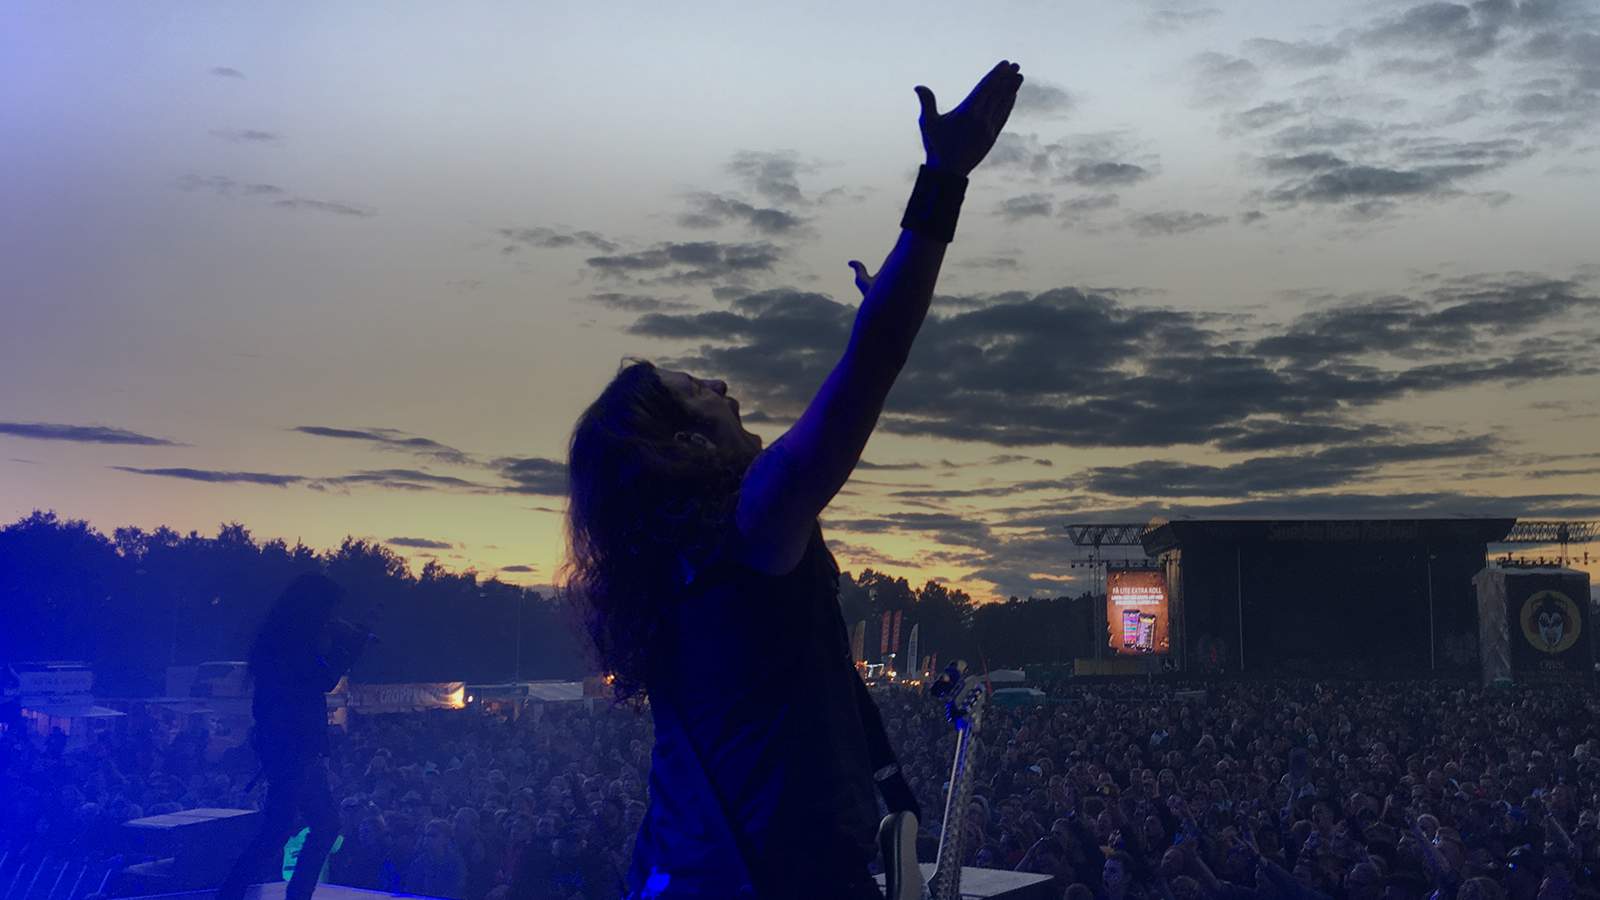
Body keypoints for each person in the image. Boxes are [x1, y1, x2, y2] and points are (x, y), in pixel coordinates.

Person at [559, 60, 1023, 899]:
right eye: (696, 393)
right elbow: (868, 373)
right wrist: (941, 186)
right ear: (672, 446)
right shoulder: (748, 529)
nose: (724, 390)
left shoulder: (669, 575)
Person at [215, 573, 374, 900]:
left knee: (307, 827)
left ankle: (249, 893)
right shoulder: (291, 645)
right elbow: (323, 678)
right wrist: (350, 645)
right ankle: (243, 894)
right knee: (286, 830)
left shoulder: (280, 640)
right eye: (329, 610)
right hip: (294, 749)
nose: (332, 618)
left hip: (289, 748)